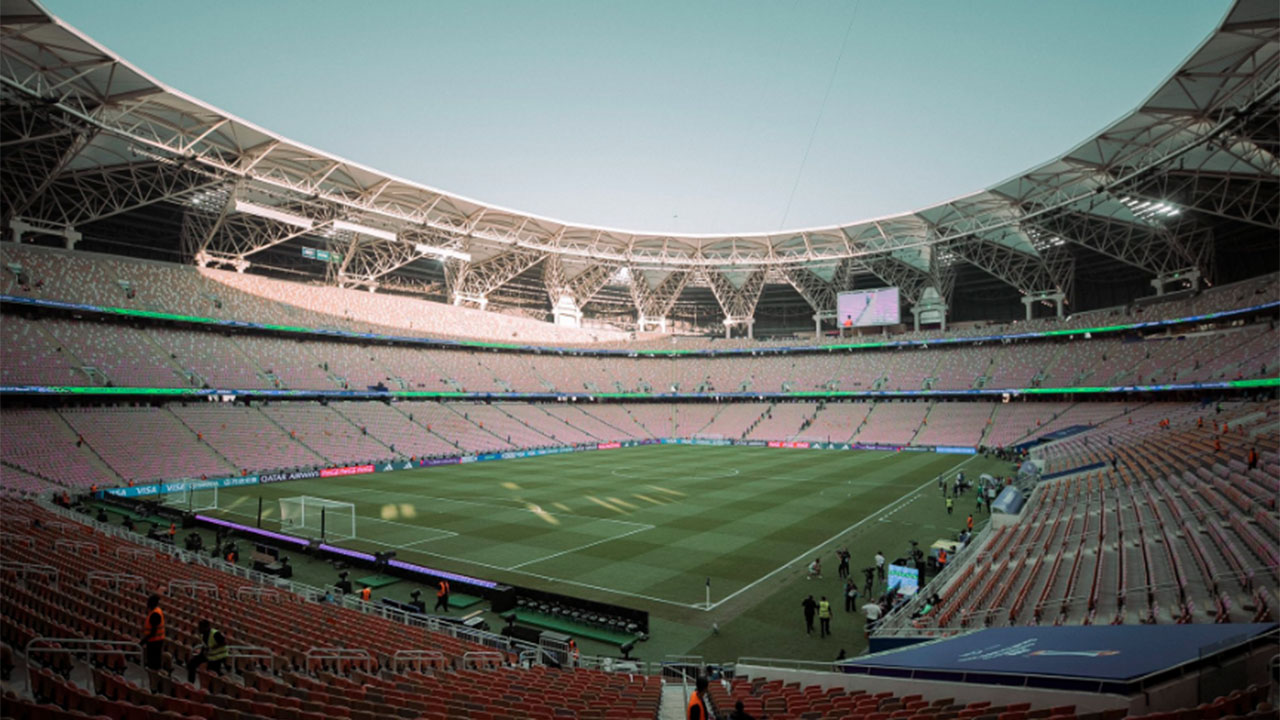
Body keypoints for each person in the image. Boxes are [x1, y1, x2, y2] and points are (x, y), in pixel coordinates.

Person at [140, 594, 165, 670]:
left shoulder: (155, 614)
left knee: (154, 664)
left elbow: (153, 631)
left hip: (155, 641)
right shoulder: (156, 611)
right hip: (155, 640)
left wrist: (143, 642)